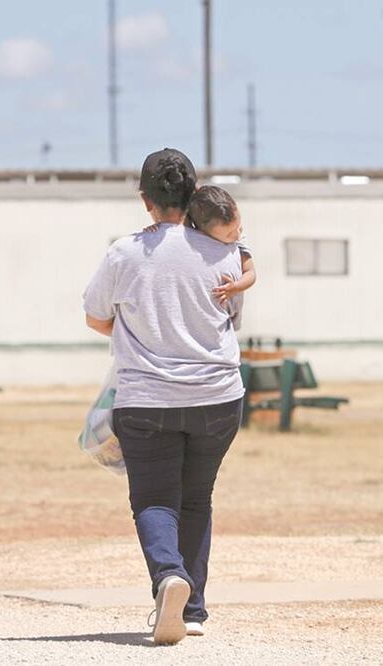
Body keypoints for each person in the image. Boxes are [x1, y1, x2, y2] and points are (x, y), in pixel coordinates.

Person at [82, 148, 245, 645]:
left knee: (155, 499)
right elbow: (232, 319)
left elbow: (95, 317)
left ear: (145, 199)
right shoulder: (225, 252)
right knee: (197, 498)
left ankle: (168, 577)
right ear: (193, 194)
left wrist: (131, 326)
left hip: (147, 398)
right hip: (219, 396)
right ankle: (192, 610)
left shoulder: (124, 252)